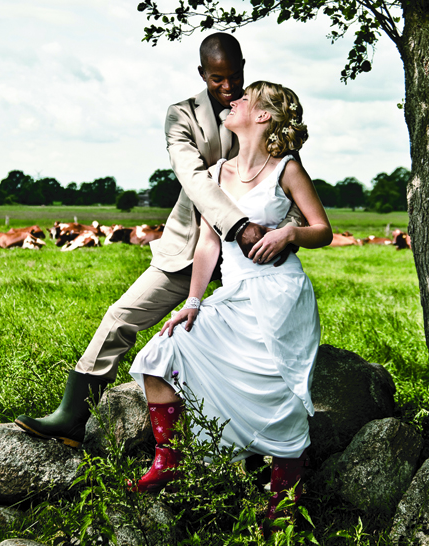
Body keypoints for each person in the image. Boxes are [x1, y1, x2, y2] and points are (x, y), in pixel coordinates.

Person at [14, 33, 305, 448]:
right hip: (192, 248)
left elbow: (291, 179)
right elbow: (193, 178)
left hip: (254, 260)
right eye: (217, 78)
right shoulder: (181, 116)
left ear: (244, 64)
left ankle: (253, 439)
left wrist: (284, 235)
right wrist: (238, 226)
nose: (228, 87)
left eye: (234, 75)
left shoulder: (262, 107)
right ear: (202, 74)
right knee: (120, 317)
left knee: (259, 347)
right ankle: (73, 415)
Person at [127, 81, 333, 521]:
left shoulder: (287, 169)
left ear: (262, 117)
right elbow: (207, 243)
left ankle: (283, 498)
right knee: (159, 353)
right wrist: (195, 301)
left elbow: (323, 229)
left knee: (282, 394)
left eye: (245, 99)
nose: (233, 101)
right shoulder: (216, 173)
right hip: (232, 293)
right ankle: (170, 461)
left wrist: (290, 232)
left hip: (281, 295)